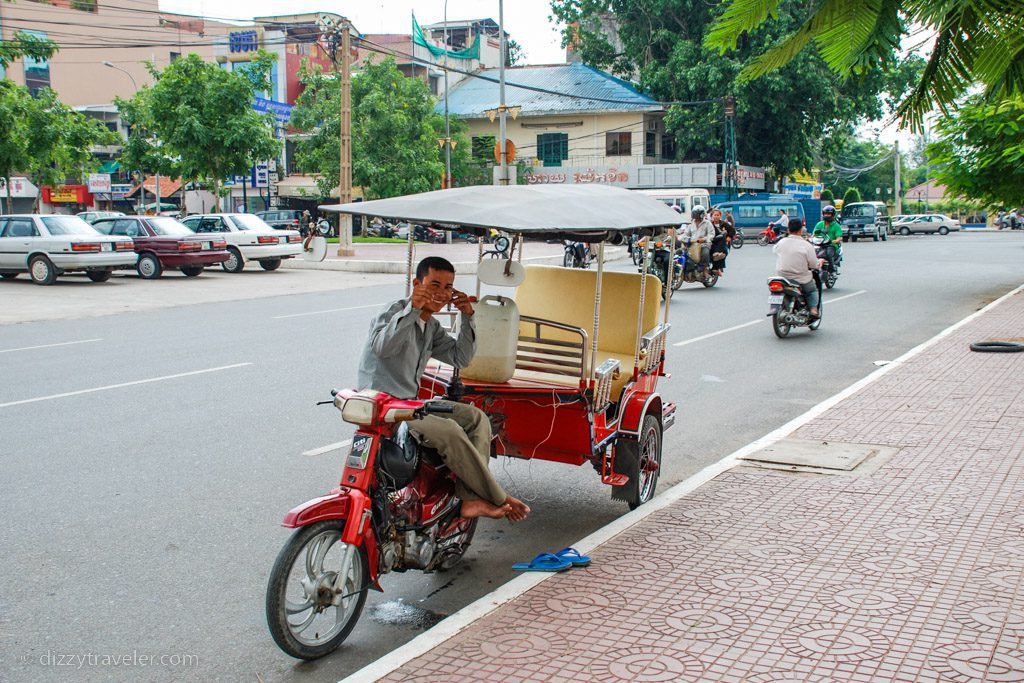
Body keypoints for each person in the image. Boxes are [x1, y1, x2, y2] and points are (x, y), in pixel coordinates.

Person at [357, 256, 531, 522]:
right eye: (434, 285)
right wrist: (413, 309)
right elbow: (383, 347)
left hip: (411, 407)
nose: (441, 294)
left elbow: (460, 358)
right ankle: (498, 497)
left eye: (448, 288)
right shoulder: (393, 312)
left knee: (476, 419)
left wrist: (468, 316)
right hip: (384, 410)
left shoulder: (431, 327)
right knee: (449, 430)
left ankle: (470, 499)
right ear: (417, 284)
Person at [774, 218, 823, 318]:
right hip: (801, 278)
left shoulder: (781, 242)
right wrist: (820, 263)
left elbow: (775, 251)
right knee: (812, 290)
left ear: (788, 230)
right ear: (801, 230)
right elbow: (813, 264)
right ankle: (813, 309)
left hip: (782, 277)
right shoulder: (807, 245)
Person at [681, 206, 715, 270]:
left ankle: (703, 267)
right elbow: (685, 234)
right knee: (681, 253)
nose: (695, 216)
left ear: (701, 215)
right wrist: (684, 238)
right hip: (692, 244)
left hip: (704, 244)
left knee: (705, 253)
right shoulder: (691, 223)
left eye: (697, 214)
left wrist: (704, 239)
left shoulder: (707, 223)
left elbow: (711, 234)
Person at [812, 205, 843, 272]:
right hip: (820, 244)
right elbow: (814, 234)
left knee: (829, 253)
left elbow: (839, 237)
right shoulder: (819, 224)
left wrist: (836, 240)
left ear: (833, 215)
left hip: (831, 245)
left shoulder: (836, 226)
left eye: (829, 214)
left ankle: (832, 270)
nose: (826, 215)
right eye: (825, 213)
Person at [709, 208, 732, 275]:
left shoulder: (724, 224)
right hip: (712, 242)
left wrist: (729, 237)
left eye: (718, 215)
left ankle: (715, 268)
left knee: (723, 251)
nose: (716, 216)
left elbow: (732, 231)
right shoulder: (709, 224)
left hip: (723, 243)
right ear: (711, 216)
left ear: (720, 216)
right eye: (715, 215)